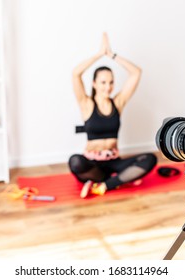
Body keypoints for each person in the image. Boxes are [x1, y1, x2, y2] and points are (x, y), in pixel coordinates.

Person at [69, 33, 157, 198]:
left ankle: (104, 185)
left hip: (115, 162)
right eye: (103, 82)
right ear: (94, 83)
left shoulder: (118, 103)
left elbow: (136, 73)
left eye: (111, 82)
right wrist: (98, 54)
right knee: (75, 161)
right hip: (92, 164)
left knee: (150, 158)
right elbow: (75, 74)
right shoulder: (86, 104)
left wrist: (112, 55)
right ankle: (113, 180)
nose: (108, 87)